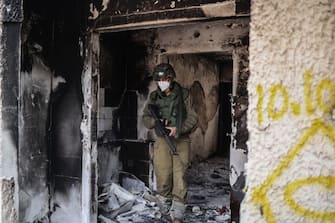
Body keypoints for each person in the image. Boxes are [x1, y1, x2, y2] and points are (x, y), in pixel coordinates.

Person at [142, 63, 198, 223]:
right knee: (163, 175)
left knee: (180, 177)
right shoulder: (153, 97)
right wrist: (155, 121)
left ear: (171, 79)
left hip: (181, 140)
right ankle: (165, 210)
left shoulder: (184, 94)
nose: (162, 82)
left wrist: (178, 129)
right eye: (159, 80)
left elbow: (194, 117)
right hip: (161, 141)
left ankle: (178, 214)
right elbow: (145, 118)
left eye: (165, 79)